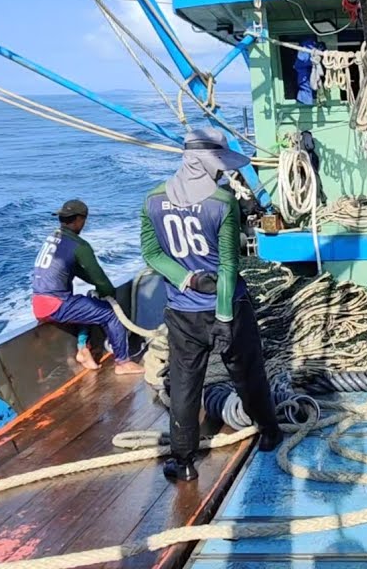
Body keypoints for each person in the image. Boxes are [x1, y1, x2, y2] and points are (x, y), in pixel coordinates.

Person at [140, 128, 283, 482]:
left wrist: (184, 279)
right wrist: (222, 314)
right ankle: (269, 431)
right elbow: (229, 266)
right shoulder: (221, 202)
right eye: (218, 165)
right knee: (247, 373)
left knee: (185, 384)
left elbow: (151, 253)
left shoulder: (152, 199)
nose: (221, 172)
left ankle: (184, 461)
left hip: (182, 312)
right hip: (227, 308)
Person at [31, 200, 143, 375]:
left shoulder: (54, 237)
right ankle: (123, 363)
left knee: (89, 304)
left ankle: (83, 350)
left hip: (39, 303)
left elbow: (75, 270)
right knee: (109, 313)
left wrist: (97, 287)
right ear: (80, 220)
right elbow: (99, 278)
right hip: (56, 305)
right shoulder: (80, 246)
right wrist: (108, 292)